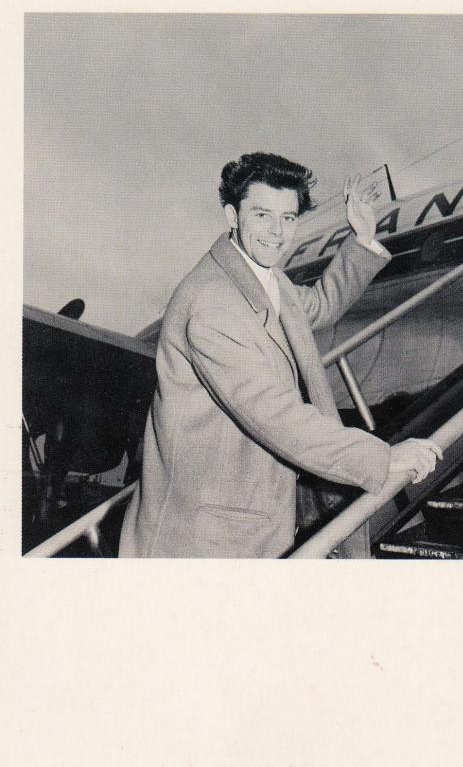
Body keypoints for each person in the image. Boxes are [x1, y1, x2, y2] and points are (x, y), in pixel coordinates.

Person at [119, 152, 442, 558]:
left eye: (288, 218)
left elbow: (321, 305)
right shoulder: (212, 302)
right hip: (205, 538)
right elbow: (274, 414)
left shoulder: (267, 279)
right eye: (262, 216)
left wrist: (361, 239)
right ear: (232, 216)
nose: (277, 232)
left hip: (248, 514)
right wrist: (381, 457)